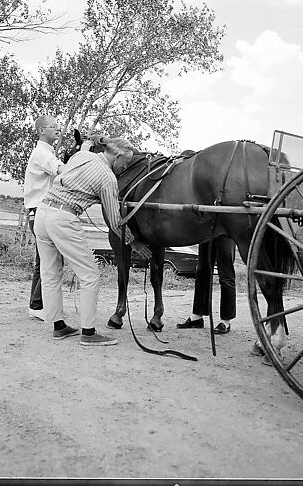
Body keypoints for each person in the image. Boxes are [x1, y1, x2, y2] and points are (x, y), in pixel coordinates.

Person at [34, 136, 152, 346]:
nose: (124, 167)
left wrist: (98, 139)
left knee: (50, 273)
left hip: (43, 213)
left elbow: (88, 145)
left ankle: (58, 327)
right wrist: (134, 243)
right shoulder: (107, 179)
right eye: (125, 162)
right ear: (116, 156)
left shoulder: (81, 156)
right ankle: (88, 333)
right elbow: (116, 222)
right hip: (63, 219)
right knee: (90, 275)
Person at [23, 115, 66, 321]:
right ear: (41, 130)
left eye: (58, 126)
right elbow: (62, 172)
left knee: (45, 259)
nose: (57, 129)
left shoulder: (46, 153)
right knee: (51, 259)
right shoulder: (42, 153)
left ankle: (38, 304)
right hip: (40, 211)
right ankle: (39, 304)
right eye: (53, 127)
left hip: (39, 211)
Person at [176, 236, 236, 335]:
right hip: (206, 230)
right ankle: (197, 317)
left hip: (225, 230)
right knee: (202, 272)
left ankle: (226, 321)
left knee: (226, 274)